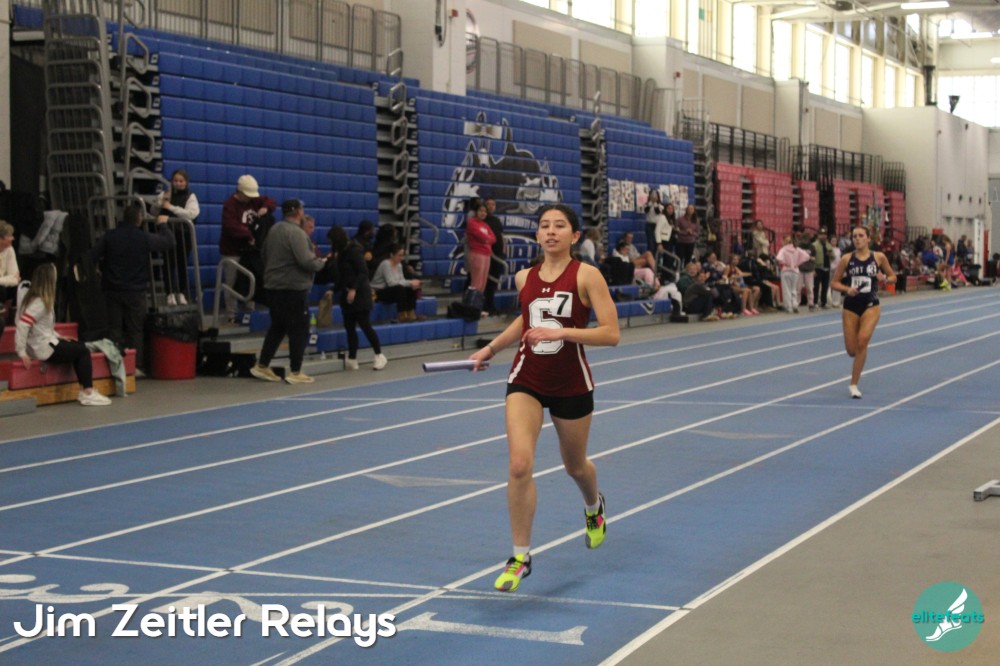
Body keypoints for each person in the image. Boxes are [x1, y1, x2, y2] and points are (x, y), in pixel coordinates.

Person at [468, 203, 619, 593]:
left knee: (575, 467)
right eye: (545, 226)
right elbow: (526, 319)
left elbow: (611, 333)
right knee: (519, 464)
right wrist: (491, 348)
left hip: (571, 383)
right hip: (527, 379)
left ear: (574, 235)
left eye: (559, 226)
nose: (551, 231)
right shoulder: (525, 277)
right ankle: (520, 557)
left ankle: (593, 507)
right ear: (536, 234)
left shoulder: (587, 275)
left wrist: (562, 332)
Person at [249, 200, 327, 385]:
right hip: (291, 288)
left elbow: (264, 254)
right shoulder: (296, 233)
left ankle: (262, 365)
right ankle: (295, 370)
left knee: (278, 326)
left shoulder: (274, 230)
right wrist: (321, 263)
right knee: (299, 328)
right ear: (299, 212)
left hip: (273, 286)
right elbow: (306, 260)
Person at [91, 203, 174, 370]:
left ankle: (115, 366)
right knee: (135, 330)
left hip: (112, 289)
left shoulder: (110, 236)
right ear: (139, 219)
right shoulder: (143, 237)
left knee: (114, 330)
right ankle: (136, 367)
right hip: (135, 290)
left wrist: (98, 271)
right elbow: (168, 242)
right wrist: (163, 225)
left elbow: (92, 255)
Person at [15, 263, 110, 406]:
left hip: (42, 343)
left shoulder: (33, 299)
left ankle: (85, 390)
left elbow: (41, 328)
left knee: (78, 345)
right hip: (42, 348)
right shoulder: (40, 303)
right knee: (83, 351)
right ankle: (88, 392)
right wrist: (21, 352)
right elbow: (23, 325)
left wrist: (59, 337)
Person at [831, 226, 896, 399]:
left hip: (871, 305)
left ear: (868, 238)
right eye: (854, 236)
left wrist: (885, 279)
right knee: (852, 350)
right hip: (851, 306)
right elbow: (834, 283)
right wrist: (847, 289)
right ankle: (858, 359)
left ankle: (854, 384)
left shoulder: (878, 257)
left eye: (861, 235)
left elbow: (893, 277)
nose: (857, 239)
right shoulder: (847, 259)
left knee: (862, 341)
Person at [220, 175, 277, 322]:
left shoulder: (254, 200)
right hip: (232, 251)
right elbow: (230, 226)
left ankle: (249, 312)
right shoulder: (230, 205)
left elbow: (271, 202)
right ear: (240, 192)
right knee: (232, 283)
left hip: (250, 251)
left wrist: (265, 207)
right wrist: (249, 235)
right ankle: (231, 315)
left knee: (251, 281)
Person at [330, 225, 387, 370]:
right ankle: (352, 358)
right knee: (349, 328)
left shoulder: (354, 251)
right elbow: (343, 277)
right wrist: (333, 290)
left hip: (360, 294)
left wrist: (354, 289)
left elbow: (363, 272)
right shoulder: (341, 253)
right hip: (347, 294)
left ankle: (379, 355)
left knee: (365, 325)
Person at [156, 169, 200, 306]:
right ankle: (169, 293)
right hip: (167, 234)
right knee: (168, 263)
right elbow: (154, 211)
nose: (178, 183)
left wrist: (170, 207)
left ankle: (181, 292)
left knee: (182, 264)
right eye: (175, 180)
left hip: (183, 235)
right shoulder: (165, 194)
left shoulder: (191, 196)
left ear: (186, 182)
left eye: (181, 181)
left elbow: (191, 214)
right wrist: (160, 203)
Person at [371, 243, 423, 322]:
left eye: (402, 255)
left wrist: (412, 282)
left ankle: (411, 313)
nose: (401, 258)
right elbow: (391, 283)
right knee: (400, 289)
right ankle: (402, 314)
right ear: (392, 255)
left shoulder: (399, 265)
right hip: (378, 292)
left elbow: (401, 280)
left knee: (410, 288)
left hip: (391, 290)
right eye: (399, 255)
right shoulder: (386, 264)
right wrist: (410, 283)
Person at [464, 202, 496, 295]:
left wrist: (486, 240)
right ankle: (472, 301)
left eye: (485, 211)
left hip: (486, 254)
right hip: (477, 253)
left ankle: (478, 302)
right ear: (476, 212)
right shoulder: (471, 222)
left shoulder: (485, 225)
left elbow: (493, 238)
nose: (483, 213)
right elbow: (481, 236)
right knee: (476, 281)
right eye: (481, 211)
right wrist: (486, 240)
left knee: (483, 282)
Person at [482, 197, 506, 315]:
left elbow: (501, 235)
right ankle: (484, 306)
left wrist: (504, 249)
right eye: (488, 204)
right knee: (486, 281)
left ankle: (490, 305)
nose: (491, 206)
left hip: (498, 254)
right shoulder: (482, 220)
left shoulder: (496, 220)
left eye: (493, 204)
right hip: (487, 254)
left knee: (494, 281)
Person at [775, 234, 809, 313]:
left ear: (784, 241)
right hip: (795, 271)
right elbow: (807, 256)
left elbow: (778, 258)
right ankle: (795, 304)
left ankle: (789, 307)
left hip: (786, 270)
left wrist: (784, 262)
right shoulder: (797, 249)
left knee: (786, 289)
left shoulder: (783, 249)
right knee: (794, 289)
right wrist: (797, 263)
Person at [0, 221, 21, 313]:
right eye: (9, 236)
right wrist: (7, 279)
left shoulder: (9, 250)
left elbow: (16, 279)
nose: (13, 238)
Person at [812, 228, 833, 309]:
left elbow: (833, 257)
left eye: (824, 235)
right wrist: (813, 269)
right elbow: (811, 258)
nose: (823, 236)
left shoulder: (828, 245)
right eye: (821, 235)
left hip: (827, 267)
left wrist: (831, 254)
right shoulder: (814, 245)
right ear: (818, 236)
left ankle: (823, 302)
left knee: (825, 286)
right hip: (818, 267)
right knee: (816, 286)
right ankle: (815, 302)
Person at [643, 189, 665, 253]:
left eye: (655, 196)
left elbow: (657, 212)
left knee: (657, 242)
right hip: (649, 225)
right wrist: (650, 203)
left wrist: (655, 203)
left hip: (658, 225)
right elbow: (646, 210)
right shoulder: (647, 204)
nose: (654, 197)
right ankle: (650, 256)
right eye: (652, 195)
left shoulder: (661, 205)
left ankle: (656, 257)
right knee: (650, 244)